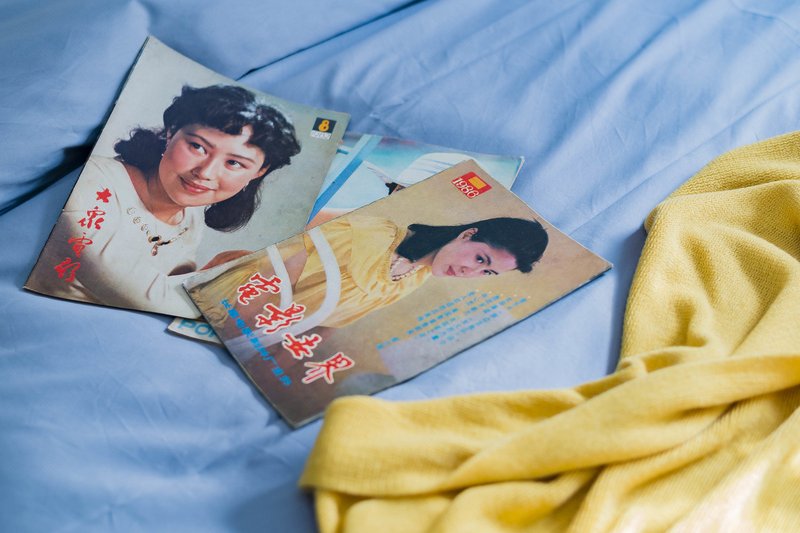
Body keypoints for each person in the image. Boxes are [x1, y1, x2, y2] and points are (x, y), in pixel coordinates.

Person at [26, 84, 301, 317]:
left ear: (259, 172)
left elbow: (177, 291)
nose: (205, 172)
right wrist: (224, 280)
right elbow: (155, 299)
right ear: (171, 132)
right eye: (197, 147)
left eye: (234, 163)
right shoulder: (93, 183)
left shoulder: (190, 219)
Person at [190, 213, 548, 337]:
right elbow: (277, 275)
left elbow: (326, 324)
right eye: (480, 257)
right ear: (467, 234)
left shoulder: (416, 277)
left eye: (487, 271)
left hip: (258, 335)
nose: (470, 271)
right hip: (229, 309)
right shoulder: (373, 234)